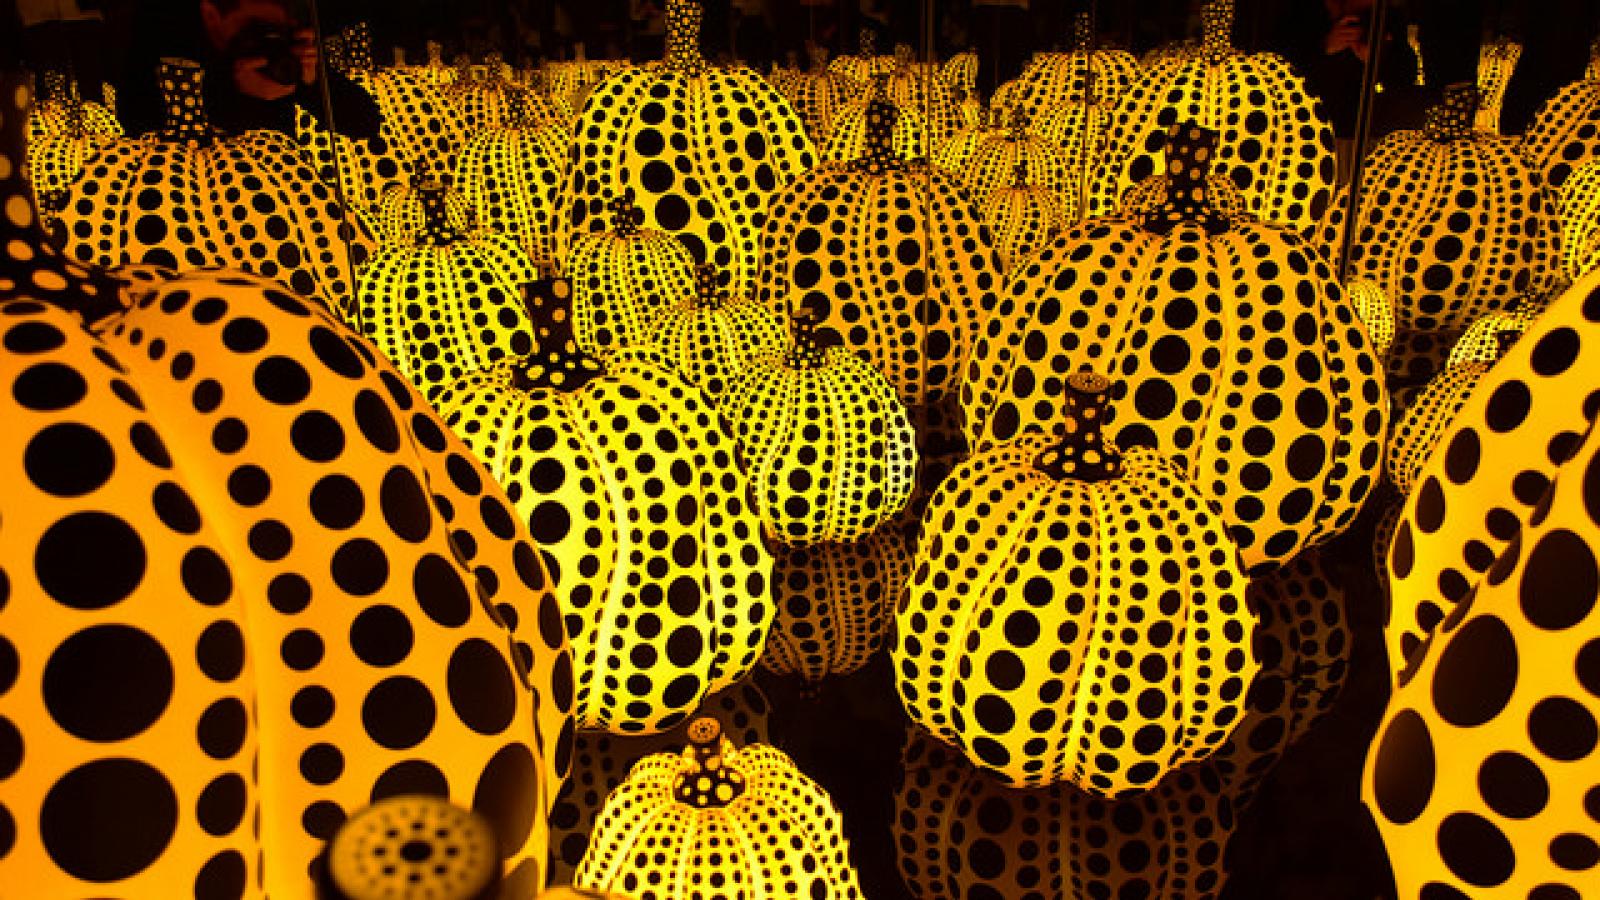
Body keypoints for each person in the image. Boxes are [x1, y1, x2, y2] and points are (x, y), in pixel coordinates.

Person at [114, 0, 380, 139]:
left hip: (277, 195)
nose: (266, 41)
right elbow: (135, 120)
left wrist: (311, 82)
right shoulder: (167, 46)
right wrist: (231, 89)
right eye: (253, 28)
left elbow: (365, 123)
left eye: (275, 29)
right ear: (211, 15)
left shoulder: (281, 54)